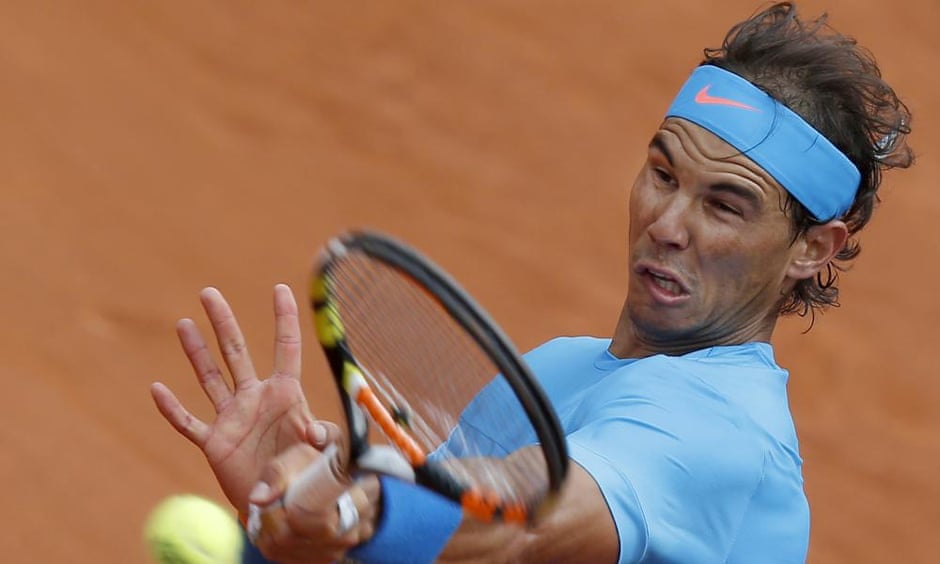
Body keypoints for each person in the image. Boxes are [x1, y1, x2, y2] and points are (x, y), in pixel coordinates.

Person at [150, 2, 913, 562]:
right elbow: (435, 544)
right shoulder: (554, 370)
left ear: (814, 247)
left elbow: (527, 524)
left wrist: (354, 507)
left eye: (724, 205)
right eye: (661, 174)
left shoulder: (720, 433)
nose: (668, 223)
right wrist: (294, 509)